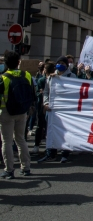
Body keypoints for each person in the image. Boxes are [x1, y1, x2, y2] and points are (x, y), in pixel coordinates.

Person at [0, 51, 35, 179]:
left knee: (7, 142)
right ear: (19, 62)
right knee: (21, 139)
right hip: (22, 111)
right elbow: (32, 93)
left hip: (6, 112)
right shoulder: (26, 75)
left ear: (5, 63)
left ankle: (9, 169)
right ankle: (26, 167)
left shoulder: (3, 77)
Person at [39, 56, 77, 164]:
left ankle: (65, 154)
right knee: (51, 131)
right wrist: (46, 103)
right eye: (59, 62)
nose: (61, 65)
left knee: (66, 132)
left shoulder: (72, 76)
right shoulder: (51, 77)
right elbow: (46, 91)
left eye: (63, 63)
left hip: (66, 110)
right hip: (52, 109)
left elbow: (75, 92)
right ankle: (50, 153)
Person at [31, 62, 55, 155]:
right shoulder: (41, 80)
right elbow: (38, 92)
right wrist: (40, 93)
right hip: (42, 106)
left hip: (50, 106)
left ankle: (48, 146)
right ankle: (37, 144)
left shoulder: (55, 79)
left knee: (46, 127)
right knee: (41, 126)